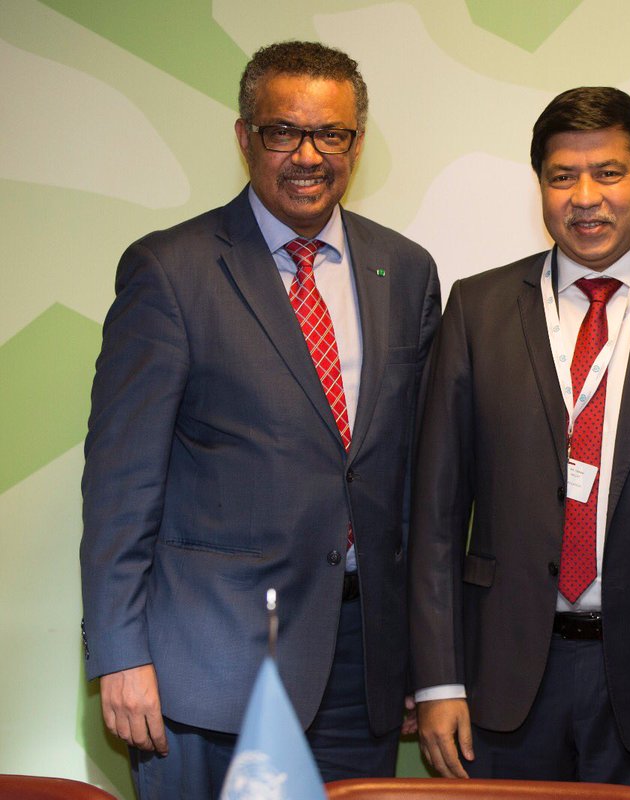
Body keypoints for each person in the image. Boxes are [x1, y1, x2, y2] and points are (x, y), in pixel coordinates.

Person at [79, 40, 440, 797]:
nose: (308, 155)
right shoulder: (170, 270)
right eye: (284, 131)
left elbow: (411, 478)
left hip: (360, 666)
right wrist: (120, 652)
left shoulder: (405, 270)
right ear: (245, 137)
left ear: (357, 144)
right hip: (205, 671)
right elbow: (120, 483)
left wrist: (420, 658)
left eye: (330, 134)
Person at [408, 86, 630, 800]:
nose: (585, 198)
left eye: (608, 173)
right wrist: (439, 681)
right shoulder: (477, 309)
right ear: (539, 186)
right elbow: (436, 514)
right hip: (500, 680)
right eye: (561, 176)